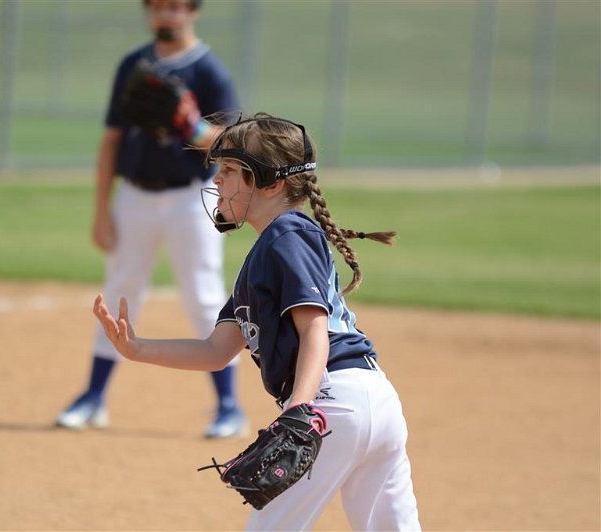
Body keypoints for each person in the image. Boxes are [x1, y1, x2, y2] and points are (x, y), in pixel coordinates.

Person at [92, 114, 421, 531]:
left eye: (231, 170)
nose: (218, 179)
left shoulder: (287, 234)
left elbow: (314, 328)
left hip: (329, 402)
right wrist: (137, 349)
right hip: (375, 401)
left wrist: (300, 408)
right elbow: (216, 351)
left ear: (270, 183)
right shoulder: (269, 252)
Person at [54, 0, 249, 439]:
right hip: (135, 195)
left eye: (176, 6)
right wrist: (101, 209)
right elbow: (111, 140)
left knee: (203, 294)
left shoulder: (209, 70)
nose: (166, 14)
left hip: (192, 197)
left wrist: (192, 127)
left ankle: (229, 407)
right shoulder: (133, 65)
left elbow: (230, 140)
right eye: (158, 6)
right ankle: (93, 397)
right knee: (120, 290)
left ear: (193, 12)